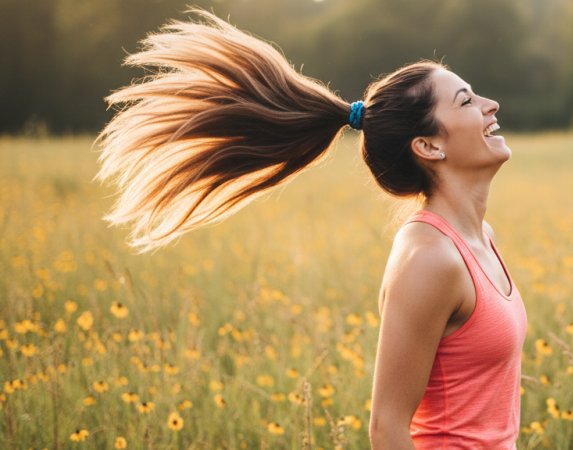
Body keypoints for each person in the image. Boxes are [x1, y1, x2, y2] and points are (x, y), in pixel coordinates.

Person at [95, 8, 527, 449]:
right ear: (428, 145)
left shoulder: (480, 239)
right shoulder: (432, 259)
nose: (490, 105)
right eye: (466, 101)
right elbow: (387, 429)